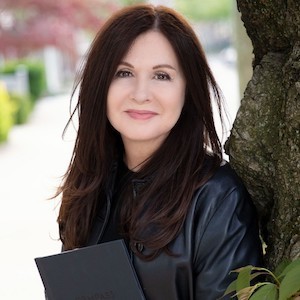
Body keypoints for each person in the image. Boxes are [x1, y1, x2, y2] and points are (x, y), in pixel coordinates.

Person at [56, 4, 263, 299]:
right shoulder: (87, 185)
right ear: (100, 85)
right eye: (124, 72)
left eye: (162, 76)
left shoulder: (217, 198)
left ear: (187, 90)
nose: (141, 94)